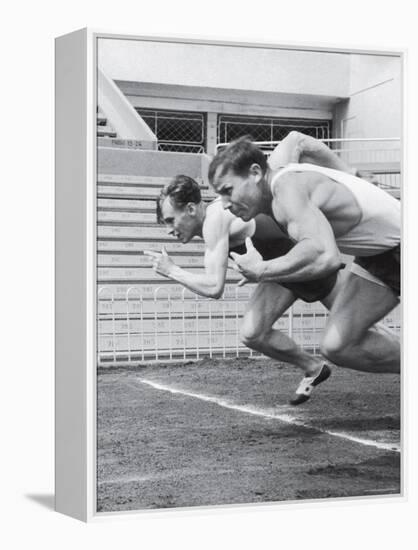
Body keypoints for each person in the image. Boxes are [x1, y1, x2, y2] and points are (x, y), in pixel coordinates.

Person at [208, 134, 400, 400]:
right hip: (376, 256)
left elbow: (325, 257)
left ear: (254, 173)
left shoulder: (286, 189)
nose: (225, 204)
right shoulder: (276, 179)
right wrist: (350, 172)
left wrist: (261, 270)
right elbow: (298, 140)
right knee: (336, 346)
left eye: (228, 190)